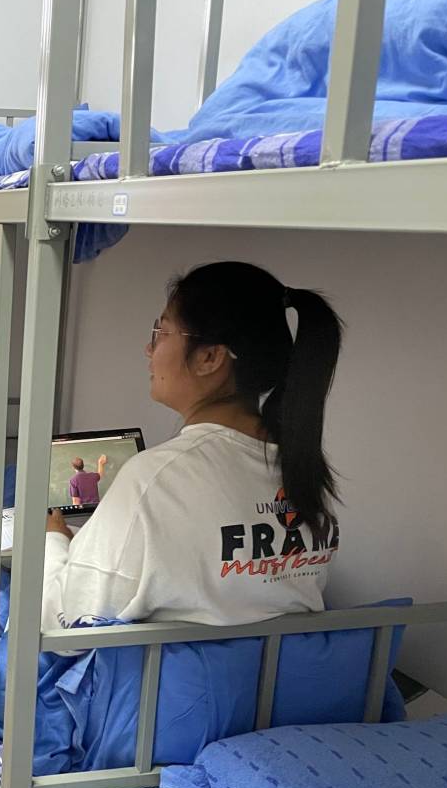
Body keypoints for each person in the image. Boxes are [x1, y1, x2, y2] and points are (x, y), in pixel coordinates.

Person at [43, 261, 343, 631]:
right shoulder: (306, 470)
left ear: (209, 358)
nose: (148, 348)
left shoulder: (154, 479)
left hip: (167, 668)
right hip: (273, 665)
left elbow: (67, 623)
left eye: (161, 332)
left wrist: (54, 541)